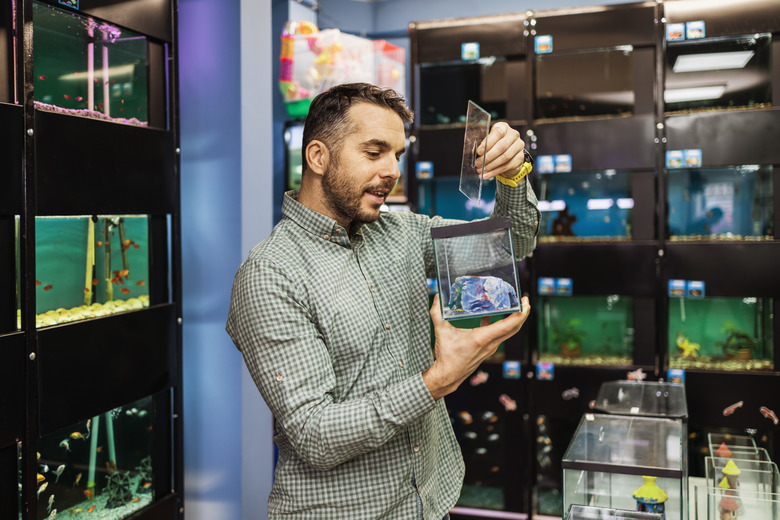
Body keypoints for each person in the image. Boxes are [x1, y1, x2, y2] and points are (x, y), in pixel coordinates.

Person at [227, 83, 540, 519]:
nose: (392, 170)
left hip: (428, 502)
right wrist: (438, 380)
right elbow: (315, 434)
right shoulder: (270, 275)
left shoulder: (403, 233)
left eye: (397, 155)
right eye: (374, 153)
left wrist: (513, 174)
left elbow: (511, 244)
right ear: (318, 157)